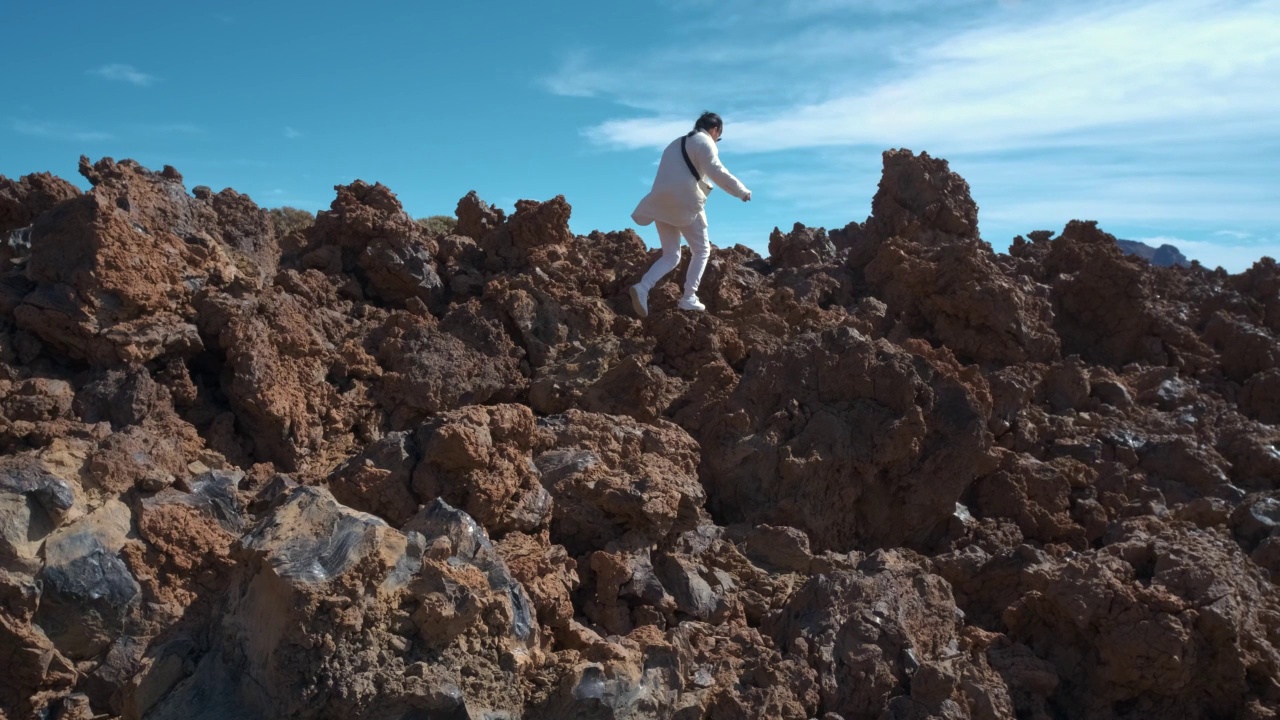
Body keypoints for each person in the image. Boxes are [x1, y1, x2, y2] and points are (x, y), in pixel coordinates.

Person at [628, 111, 751, 318]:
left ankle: (643, 287)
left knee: (671, 255)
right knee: (702, 250)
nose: (716, 140)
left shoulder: (673, 144)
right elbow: (716, 170)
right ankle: (688, 297)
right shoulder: (705, 142)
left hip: (660, 203)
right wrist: (741, 191)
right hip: (684, 203)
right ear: (714, 130)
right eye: (718, 137)